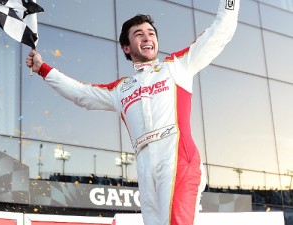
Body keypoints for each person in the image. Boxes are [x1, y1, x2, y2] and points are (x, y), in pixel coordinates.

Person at [26, 0, 240, 224]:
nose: (147, 37)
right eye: (139, 34)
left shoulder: (177, 66)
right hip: (144, 164)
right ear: (126, 47)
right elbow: (81, 94)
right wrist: (42, 69)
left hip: (177, 155)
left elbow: (220, 32)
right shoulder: (121, 89)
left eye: (151, 33)